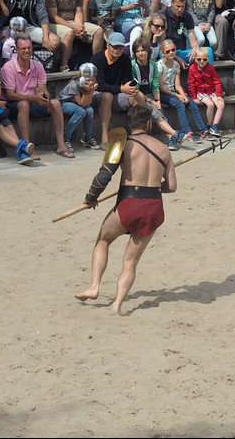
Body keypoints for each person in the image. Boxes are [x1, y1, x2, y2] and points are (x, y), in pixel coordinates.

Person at [75, 103, 177, 314]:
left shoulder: (122, 143)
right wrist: (154, 186)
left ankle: (94, 287)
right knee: (130, 260)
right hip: (154, 207)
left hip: (129, 203)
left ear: (129, 124)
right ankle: (117, 305)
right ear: (148, 123)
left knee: (103, 240)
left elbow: (105, 174)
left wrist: (91, 197)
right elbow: (172, 187)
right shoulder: (164, 149)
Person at [2, 35, 72, 158]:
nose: (26, 51)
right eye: (23, 48)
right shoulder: (8, 68)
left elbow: (43, 88)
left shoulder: (37, 65)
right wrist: (34, 98)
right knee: (23, 104)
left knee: (55, 103)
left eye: (29, 48)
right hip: (15, 104)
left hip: (33, 101)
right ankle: (27, 147)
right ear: (16, 50)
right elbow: (10, 95)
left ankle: (61, 145)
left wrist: (45, 97)